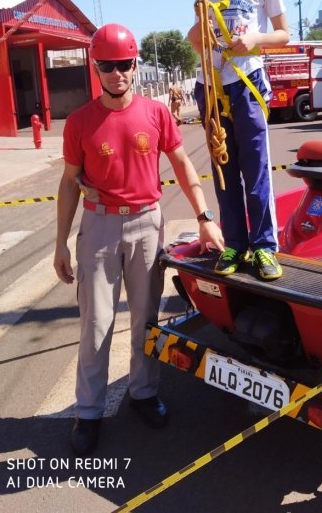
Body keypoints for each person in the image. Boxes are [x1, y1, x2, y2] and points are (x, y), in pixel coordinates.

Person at [54, 23, 224, 458]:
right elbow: (70, 183)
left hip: (147, 224)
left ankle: (144, 392)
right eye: (107, 66)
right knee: (96, 324)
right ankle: (88, 413)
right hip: (100, 228)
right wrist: (61, 243)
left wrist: (205, 218)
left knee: (146, 319)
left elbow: (183, 163)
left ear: (135, 65)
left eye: (124, 64)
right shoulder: (79, 122)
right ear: (96, 68)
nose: (116, 73)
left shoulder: (156, 113)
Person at [187, 0, 290, 281]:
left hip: (247, 83)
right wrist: (202, 29)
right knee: (224, 170)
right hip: (212, 88)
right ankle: (235, 244)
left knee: (256, 169)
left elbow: (283, 34)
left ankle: (264, 246)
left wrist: (254, 41)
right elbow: (195, 40)